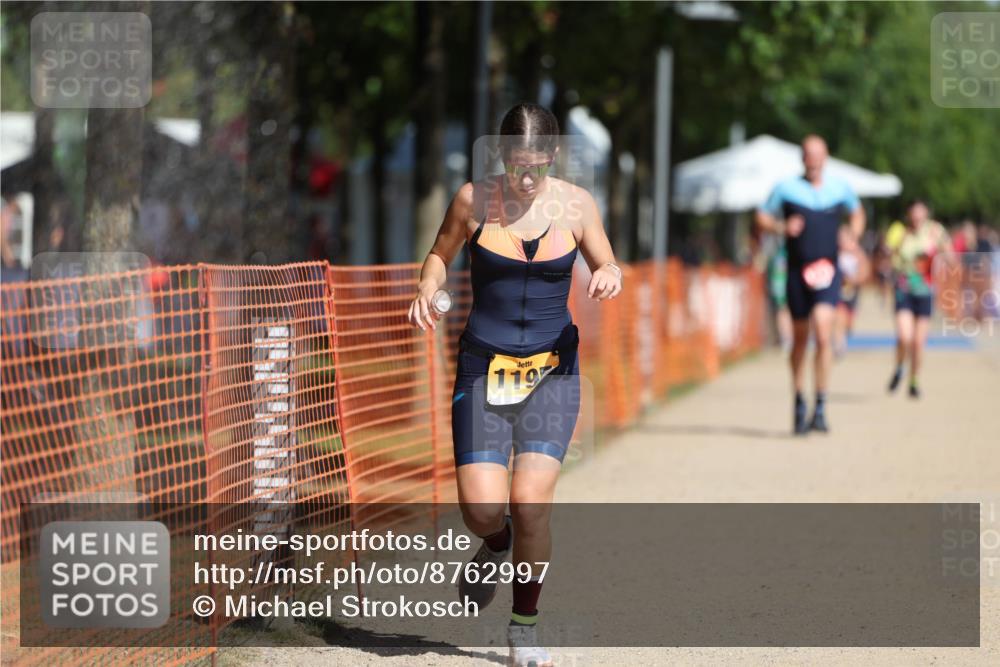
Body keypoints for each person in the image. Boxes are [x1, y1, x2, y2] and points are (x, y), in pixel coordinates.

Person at [407, 103, 622, 667]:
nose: (525, 178)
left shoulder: (577, 205)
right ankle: (494, 543)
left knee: (530, 503)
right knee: (481, 508)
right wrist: (426, 288)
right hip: (484, 369)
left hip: (554, 372)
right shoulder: (473, 201)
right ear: (501, 155)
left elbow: (608, 261)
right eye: (516, 163)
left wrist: (606, 274)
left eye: (536, 165)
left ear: (552, 157)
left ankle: (523, 627)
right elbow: (437, 255)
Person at [755, 135, 865, 435]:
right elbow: (762, 216)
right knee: (801, 340)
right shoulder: (786, 189)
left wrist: (852, 235)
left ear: (825, 157)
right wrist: (781, 226)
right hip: (796, 272)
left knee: (823, 332)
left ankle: (821, 403)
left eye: (818, 155)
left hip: (828, 272)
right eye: (808, 155)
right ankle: (799, 399)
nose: (813, 160)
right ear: (802, 159)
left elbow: (857, 213)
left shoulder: (839, 188)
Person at [885, 200, 952, 398]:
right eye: (914, 212)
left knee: (918, 342)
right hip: (904, 287)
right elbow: (887, 254)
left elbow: (950, 257)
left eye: (920, 212)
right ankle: (899, 367)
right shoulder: (898, 231)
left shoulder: (935, 231)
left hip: (925, 289)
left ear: (926, 213)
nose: (917, 216)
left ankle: (914, 379)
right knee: (905, 336)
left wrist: (939, 255)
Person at [834, 224, 871, 357]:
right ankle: (839, 343)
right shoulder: (835, 253)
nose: (842, 241)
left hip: (853, 292)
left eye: (845, 238)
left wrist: (854, 280)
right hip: (837, 292)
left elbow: (865, 272)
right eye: (840, 239)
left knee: (849, 322)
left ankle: (844, 334)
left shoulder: (858, 254)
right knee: (839, 315)